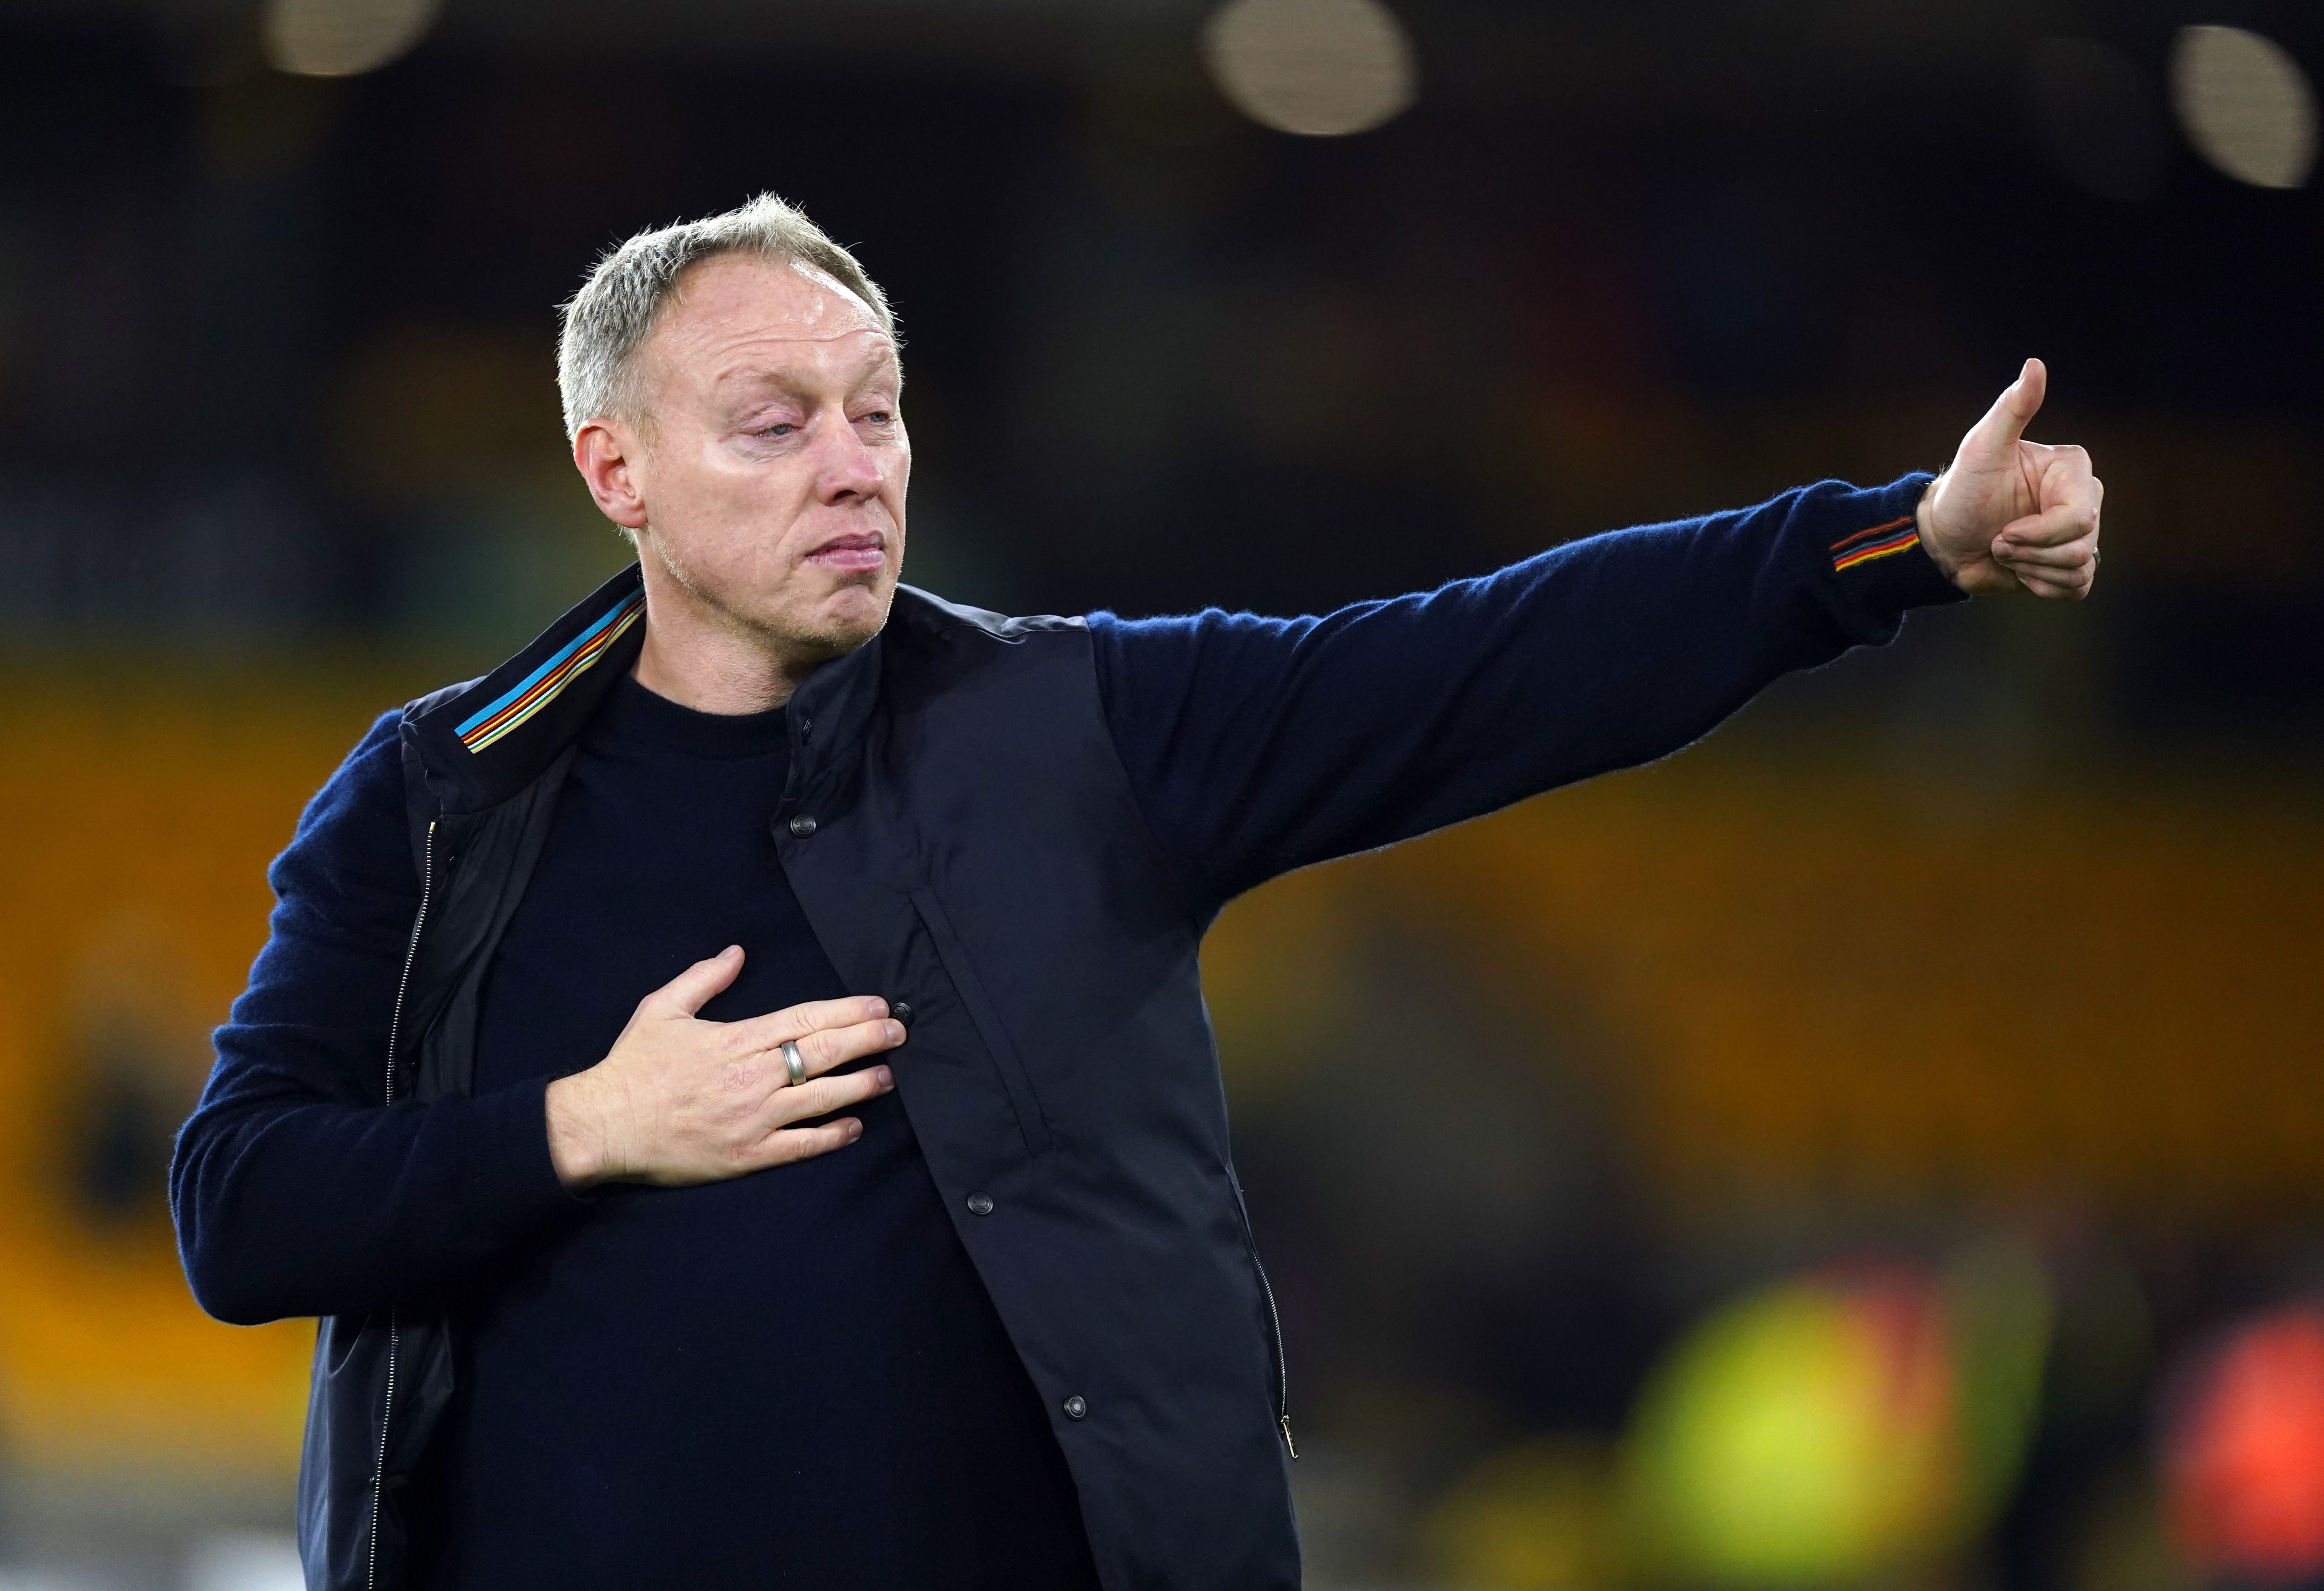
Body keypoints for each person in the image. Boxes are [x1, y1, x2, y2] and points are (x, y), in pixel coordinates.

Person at [170, 194, 2101, 1591]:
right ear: (620, 472)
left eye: (880, 409)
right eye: (777, 425)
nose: (854, 467)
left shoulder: (1081, 725)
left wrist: (1894, 544)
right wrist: (590, 1124)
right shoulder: (434, 805)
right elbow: (240, 1216)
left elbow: (1486, 663)